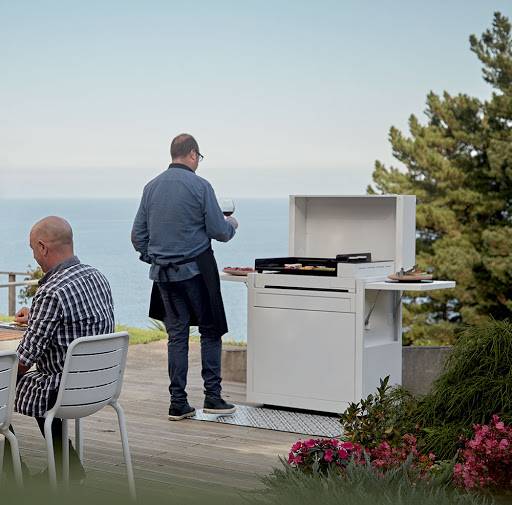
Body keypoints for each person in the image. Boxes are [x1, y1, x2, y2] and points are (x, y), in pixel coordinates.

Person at [131, 133, 238, 421]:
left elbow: (138, 236)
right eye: (198, 157)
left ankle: (178, 403)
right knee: (210, 331)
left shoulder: (151, 187)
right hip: (197, 270)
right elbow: (219, 231)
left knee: (177, 336)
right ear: (192, 154)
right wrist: (232, 224)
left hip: (164, 274)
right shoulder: (201, 186)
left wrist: (155, 256)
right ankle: (213, 398)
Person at [7, 216, 115, 481]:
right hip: (99, 385)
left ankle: (12, 473)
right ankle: (67, 464)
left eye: (33, 249)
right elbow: (79, 322)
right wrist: (37, 317)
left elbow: (24, 360)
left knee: (3, 382)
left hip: (62, 390)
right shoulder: (96, 276)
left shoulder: (51, 291)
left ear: (43, 247)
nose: (34, 257)